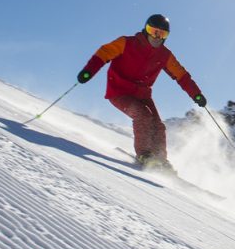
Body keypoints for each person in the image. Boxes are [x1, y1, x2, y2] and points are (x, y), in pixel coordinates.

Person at [77, 14, 206, 171]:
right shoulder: (126, 43)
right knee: (143, 115)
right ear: (146, 29)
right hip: (119, 92)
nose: (156, 37)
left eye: (162, 34)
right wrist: (88, 71)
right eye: (153, 31)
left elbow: (181, 75)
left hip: (142, 95)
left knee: (158, 126)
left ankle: (161, 160)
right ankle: (144, 155)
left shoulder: (165, 55)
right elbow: (104, 53)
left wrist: (196, 94)